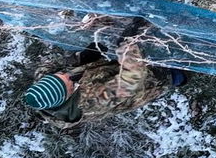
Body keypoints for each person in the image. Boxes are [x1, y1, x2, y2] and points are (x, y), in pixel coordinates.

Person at [21, 18, 184, 129]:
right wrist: (126, 48)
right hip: (140, 85)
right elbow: (131, 81)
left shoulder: (44, 79)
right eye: (66, 82)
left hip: (105, 73)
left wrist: (79, 59)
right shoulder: (93, 102)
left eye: (58, 75)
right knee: (161, 74)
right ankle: (173, 78)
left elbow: (50, 66)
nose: (65, 76)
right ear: (68, 95)